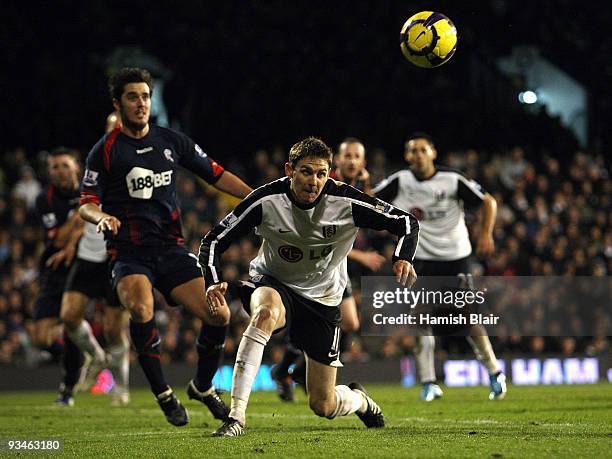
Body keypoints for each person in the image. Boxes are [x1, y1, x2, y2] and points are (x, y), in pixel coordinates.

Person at [200, 137, 419, 436]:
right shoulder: (266, 200)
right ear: (289, 170)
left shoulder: (347, 201)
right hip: (275, 282)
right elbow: (214, 239)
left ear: (329, 174)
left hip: (323, 299)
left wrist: (402, 258)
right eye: (305, 172)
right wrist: (212, 281)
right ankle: (236, 417)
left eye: (321, 174)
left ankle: (360, 401)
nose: (313, 181)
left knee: (323, 404)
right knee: (264, 313)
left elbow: (406, 222)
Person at [78, 67, 252, 426]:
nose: (141, 103)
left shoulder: (171, 141)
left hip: (171, 248)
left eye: (145, 96)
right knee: (141, 308)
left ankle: (202, 387)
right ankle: (163, 393)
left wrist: (256, 197)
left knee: (218, 315)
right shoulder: (105, 151)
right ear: (118, 102)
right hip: (128, 253)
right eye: (132, 97)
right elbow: (86, 202)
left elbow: (215, 174)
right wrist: (100, 218)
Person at [373, 132, 507, 401]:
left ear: (433, 152)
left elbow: (488, 202)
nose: (418, 155)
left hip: (454, 256)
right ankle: (428, 382)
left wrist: (485, 233)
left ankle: (494, 372)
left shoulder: (452, 179)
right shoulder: (400, 181)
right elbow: (368, 199)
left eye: (423, 150)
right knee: (420, 318)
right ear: (407, 156)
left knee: (466, 318)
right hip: (420, 259)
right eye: (413, 151)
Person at [271, 137, 385, 401]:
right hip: (315, 261)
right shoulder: (322, 184)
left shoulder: (359, 186)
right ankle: (290, 370)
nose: (352, 161)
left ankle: (295, 369)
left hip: (336, 261)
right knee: (319, 319)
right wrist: (363, 256)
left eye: (357, 157)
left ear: (363, 162)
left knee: (350, 322)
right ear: (338, 161)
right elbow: (318, 233)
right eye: (348, 156)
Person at [32, 147, 85, 405]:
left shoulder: (91, 190)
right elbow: (58, 238)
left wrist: (75, 233)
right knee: (40, 338)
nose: (60, 171)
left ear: (77, 166)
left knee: (71, 323)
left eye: (65, 165)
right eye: (55, 167)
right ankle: (80, 354)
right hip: (54, 270)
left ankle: (68, 386)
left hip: (84, 268)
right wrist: (79, 217)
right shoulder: (45, 199)